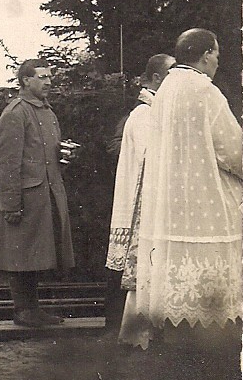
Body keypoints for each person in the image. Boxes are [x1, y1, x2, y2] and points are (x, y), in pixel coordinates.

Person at [123, 30, 242, 349]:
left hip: (170, 206)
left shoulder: (165, 91)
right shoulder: (205, 91)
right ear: (205, 55)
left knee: (178, 292)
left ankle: (177, 349)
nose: (217, 62)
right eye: (216, 55)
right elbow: (233, 151)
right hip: (206, 204)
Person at [0, 58, 75, 328]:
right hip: (25, 197)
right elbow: (5, 162)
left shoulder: (48, 113)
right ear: (26, 80)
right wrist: (11, 204)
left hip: (47, 195)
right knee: (21, 253)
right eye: (42, 77)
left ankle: (33, 309)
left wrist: (64, 156)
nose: (48, 82)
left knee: (37, 253)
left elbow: (45, 156)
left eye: (49, 77)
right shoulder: (16, 113)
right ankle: (23, 310)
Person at [103, 53, 174, 335]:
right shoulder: (144, 114)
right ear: (156, 78)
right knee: (130, 265)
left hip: (146, 199)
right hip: (138, 201)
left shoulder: (156, 111)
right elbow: (152, 159)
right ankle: (118, 330)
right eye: (170, 75)